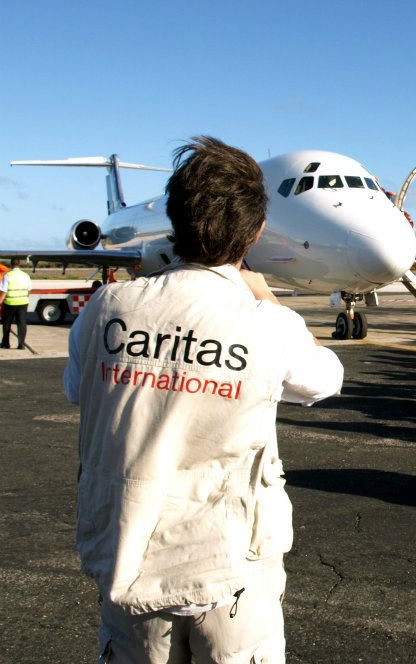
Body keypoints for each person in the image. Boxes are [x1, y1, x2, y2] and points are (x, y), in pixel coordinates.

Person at [64, 137, 344, 662]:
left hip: (128, 552)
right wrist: (262, 295)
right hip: (230, 564)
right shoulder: (267, 324)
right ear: (257, 232)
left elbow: (78, 390)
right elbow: (326, 377)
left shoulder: (106, 308)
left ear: (175, 219)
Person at [0, 258, 31, 349]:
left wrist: (0, 302)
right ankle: (21, 344)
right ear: (19, 264)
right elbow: (29, 290)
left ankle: (5, 344)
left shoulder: (8, 275)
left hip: (10, 303)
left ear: (11, 264)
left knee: (7, 323)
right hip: (23, 303)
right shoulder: (26, 275)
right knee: (22, 323)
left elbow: (4, 291)